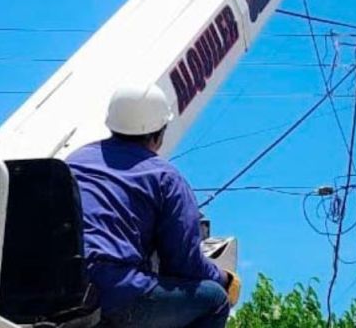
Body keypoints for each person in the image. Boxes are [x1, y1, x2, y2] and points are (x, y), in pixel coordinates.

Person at [67, 84, 240, 327]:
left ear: (111, 123)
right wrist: (224, 280)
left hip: (59, 294)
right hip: (114, 293)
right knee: (214, 300)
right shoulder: (164, 177)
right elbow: (185, 263)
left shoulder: (75, 161)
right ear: (160, 133)